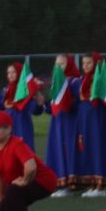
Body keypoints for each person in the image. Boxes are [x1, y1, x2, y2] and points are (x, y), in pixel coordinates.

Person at [71, 52, 106, 196]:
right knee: (87, 148)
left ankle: (101, 186)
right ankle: (92, 183)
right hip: (84, 118)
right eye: (84, 63)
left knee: (97, 148)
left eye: (89, 63)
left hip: (97, 118)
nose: (86, 66)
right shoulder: (79, 81)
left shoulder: (101, 79)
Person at [42, 52, 77, 196]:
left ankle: (68, 185)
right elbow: (52, 107)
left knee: (66, 151)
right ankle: (58, 183)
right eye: (57, 64)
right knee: (56, 150)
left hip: (69, 123)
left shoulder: (74, 81)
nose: (59, 67)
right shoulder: (55, 82)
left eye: (62, 64)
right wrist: (43, 102)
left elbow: (74, 104)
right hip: (56, 123)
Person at [3, 61, 40, 148]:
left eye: (13, 72)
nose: (10, 75)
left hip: (22, 124)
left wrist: (38, 104)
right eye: (8, 73)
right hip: (9, 126)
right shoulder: (6, 90)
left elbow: (35, 109)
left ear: (19, 73)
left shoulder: (25, 90)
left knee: (24, 151)